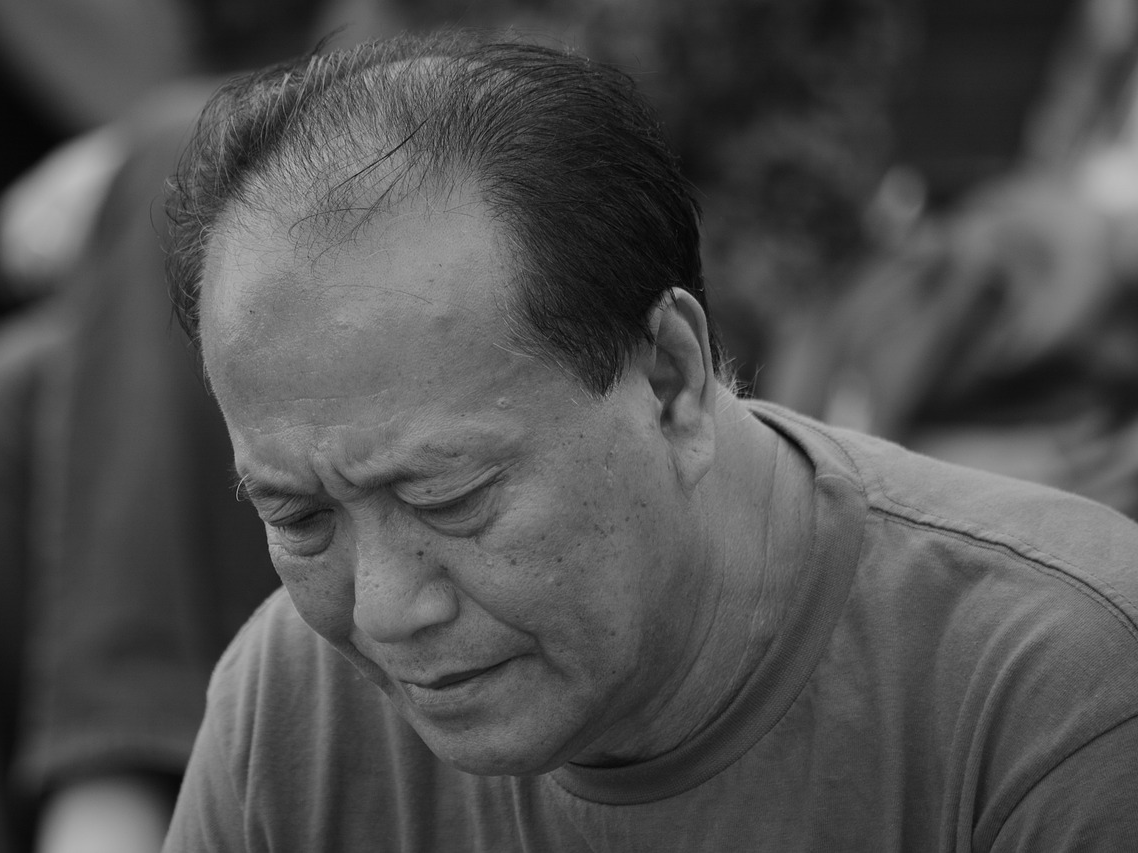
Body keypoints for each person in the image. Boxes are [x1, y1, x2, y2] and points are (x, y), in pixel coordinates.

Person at [161, 34, 1138, 851]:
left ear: (670, 382)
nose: (384, 611)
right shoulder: (291, 711)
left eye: (448, 498)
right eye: (300, 517)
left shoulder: (1059, 693)